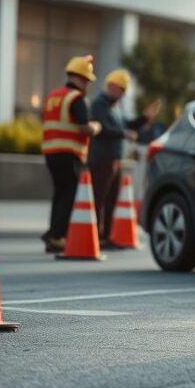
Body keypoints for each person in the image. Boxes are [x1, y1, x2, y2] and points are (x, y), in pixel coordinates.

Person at [89, 69, 161, 248]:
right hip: (102, 159)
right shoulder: (99, 104)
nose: (121, 94)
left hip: (114, 159)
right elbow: (103, 129)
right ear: (112, 86)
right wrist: (124, 134)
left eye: (123, 91)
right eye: (120, 90)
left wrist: (144, 118)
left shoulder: (115, 106)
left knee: (112, 198)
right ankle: (96, 235)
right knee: (100, 198)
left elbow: (126, 124)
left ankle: (106, 236)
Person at [41, 55, 102, 254]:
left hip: (51, 152)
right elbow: (84, 128)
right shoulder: (76, 99)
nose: (87, 85)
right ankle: (57, 236)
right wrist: (96, 126)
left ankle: (53, 234)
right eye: (86, 80)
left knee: (60, 194)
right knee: (69, 195)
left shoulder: (54, 95)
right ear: (80, 78)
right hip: (69, 153)